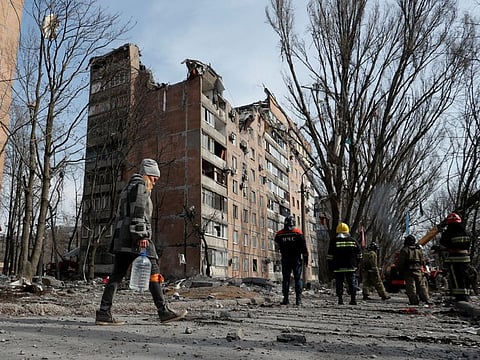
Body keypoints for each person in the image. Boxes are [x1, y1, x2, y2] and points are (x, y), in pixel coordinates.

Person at [96, 159, 187, 325]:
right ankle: (163, 311)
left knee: (116, 276)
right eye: (154, 178)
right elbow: (138, 212)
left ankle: (104, 312)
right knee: (154, 271)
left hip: (123, 238)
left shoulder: (128, 187)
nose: (154, 182)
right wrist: (141, 236)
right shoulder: (140, 186)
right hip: (135, 238)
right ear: (147, 174)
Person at [274, 215, 309, 306]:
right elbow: (304, 247)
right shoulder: (298, 233)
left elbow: (276, 246)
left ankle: (285, 299)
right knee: (298, 279)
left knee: (286, 279)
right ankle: (298, 300)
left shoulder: (279, 234)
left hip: (285, 259)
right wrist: (306, 258)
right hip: (296, 259)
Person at [439, 212, 471, 302]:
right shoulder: (466, 232)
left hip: (454, 258)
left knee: (456, 277)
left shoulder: (449, 232)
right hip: (466, 258)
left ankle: (460, 296)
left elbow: (444, 243)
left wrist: (443, 233)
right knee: (465, 276)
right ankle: (466, 294)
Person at [327, 222, 362, 305]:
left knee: (339, 283)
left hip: (338, 267)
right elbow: (359, 254)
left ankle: (340, 299)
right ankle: (353, 299)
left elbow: (329, 256)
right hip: (350, 266)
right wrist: (357, 264)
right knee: (351, 283)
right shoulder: (353, 241)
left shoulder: (334, 242)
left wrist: (330, 266)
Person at [397, 234, 431, 306]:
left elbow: (401, 262)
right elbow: (423, 261)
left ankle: (414, 301)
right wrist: (424, 268)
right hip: (418, 270)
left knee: (411, 286)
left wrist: (399, 270)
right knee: (421, 286)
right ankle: (426, 299)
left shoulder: (404, 250)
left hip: (408, 271)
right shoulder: (418, 250)